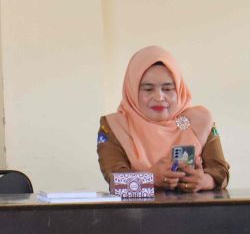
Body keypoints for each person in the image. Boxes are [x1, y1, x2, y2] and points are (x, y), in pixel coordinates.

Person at [97, 45, 229, 192]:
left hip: (193, 206)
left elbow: (221, 173)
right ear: (132, 90)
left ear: (179, 89)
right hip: (137, 208)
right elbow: (115, 183)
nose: (159, 97)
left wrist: (204, 181)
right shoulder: (115, 126)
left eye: (167, 89)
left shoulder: (198, 122)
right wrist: (151, 178)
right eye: (148, 89)